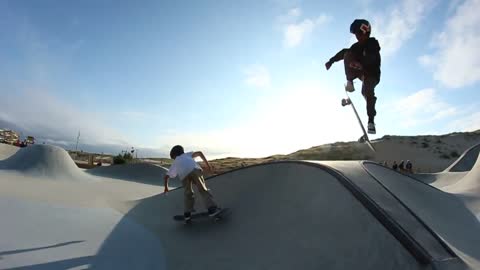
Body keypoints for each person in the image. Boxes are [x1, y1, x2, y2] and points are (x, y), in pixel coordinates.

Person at [325, 19, 381, 134]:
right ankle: (349, 82)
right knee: (348, 53)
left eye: (359, 34)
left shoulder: (372, 43)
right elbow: (343, 53)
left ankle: (371, 121)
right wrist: (331, 61)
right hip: (359, 72)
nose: (357, 37)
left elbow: (372, 58)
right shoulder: (356, 47)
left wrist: (361, 63)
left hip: (371, 74)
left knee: (366, 92)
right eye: (356, 35)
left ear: (365, 32)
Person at [164, 145, 221, 224]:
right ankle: (212, 209)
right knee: (202, 190)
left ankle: (187, 215)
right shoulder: (187, 154)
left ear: (174, 155)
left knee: (188, 194)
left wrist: (166, 188)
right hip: (194, 169)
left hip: (183, 175)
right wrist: (208, 166)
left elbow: (166, 177)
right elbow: (200, 153)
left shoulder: (175, 162)